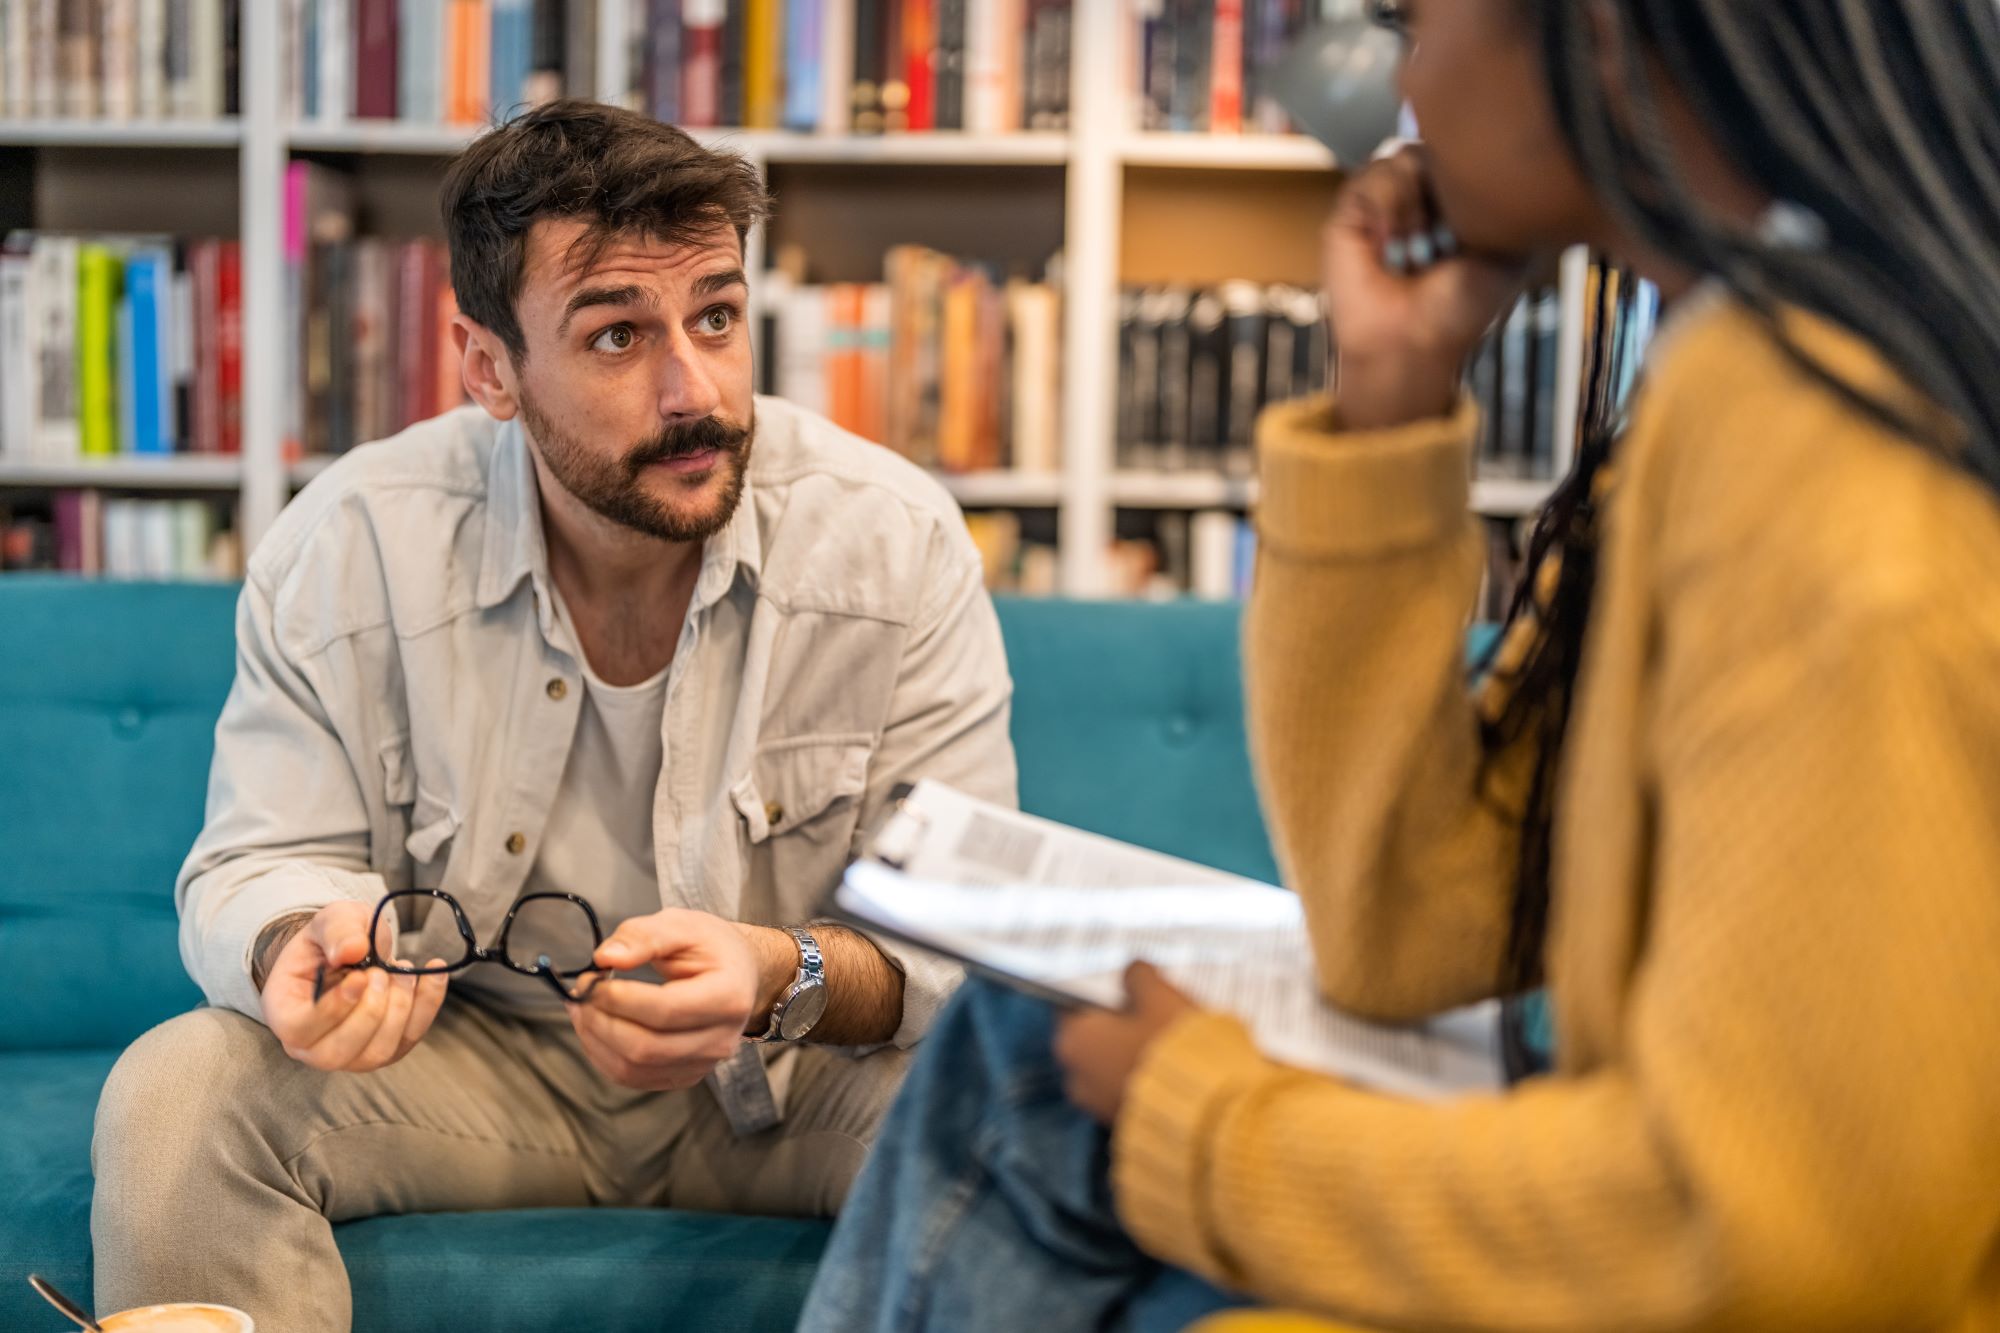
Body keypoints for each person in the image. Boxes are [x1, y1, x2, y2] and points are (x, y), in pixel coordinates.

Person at [798, 1, 2000, 1330]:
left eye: (1415, 19)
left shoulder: (1825, 450)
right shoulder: (1730, 379)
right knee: (1022, 1048)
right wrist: (1390, 399)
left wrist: (1200, 1126)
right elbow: (1411, 932)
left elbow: (1780, 1235)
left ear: (1594, 36)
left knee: (1044, 1096)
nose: (1398, 83)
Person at [90, 100, 1017, 1332]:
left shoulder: (890, 543)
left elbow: (966, 940)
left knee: (1027, 1111)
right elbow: (254, 863)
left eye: (718, 318)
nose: (695, 390)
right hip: (463, 1069)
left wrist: (772, 971)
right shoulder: (354, 542)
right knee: (176, 1091)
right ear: (487, 367)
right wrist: (302, 939)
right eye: (618, 335)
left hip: (797, 1079)